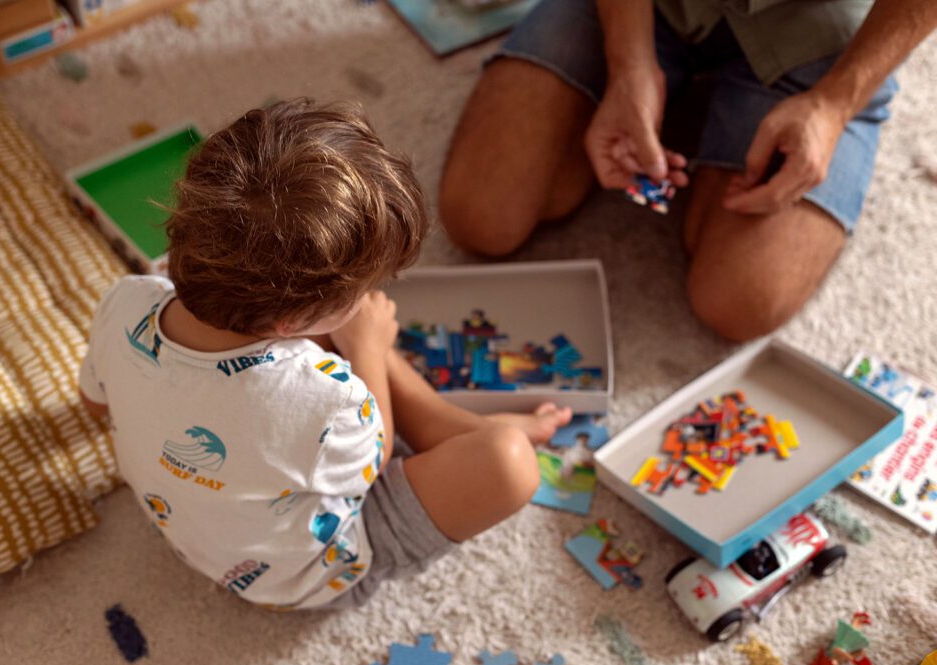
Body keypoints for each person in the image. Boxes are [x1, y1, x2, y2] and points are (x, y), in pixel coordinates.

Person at [77, 100, 571, 610]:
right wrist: (368, 351)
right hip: (304, 578)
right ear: (291, 326)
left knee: (346, 338)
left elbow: (95, 403)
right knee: (510, 462)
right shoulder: (327, 398)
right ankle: (441, 418)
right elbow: (374, 463)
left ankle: (443, 419)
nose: (369, 296)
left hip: (201, 529)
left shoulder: (125, 300)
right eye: (363, 289)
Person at [441, 0, 937, 341]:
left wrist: (833, 104)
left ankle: (698, 105)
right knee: (481, 215)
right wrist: (628, 63)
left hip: (820, 29)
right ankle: (681, 98)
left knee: (740, 299)